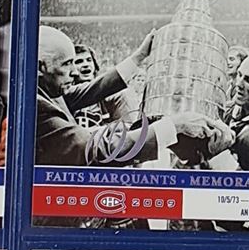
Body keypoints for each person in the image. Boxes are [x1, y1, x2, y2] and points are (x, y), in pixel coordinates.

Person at [33, 24, 230, 167]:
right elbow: (96, 149)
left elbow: (93, 89)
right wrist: (174, 125)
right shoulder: (38, 106)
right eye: (67, 64)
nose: (75, 72)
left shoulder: (45, 87)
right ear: (41, 67)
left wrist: (139, 56)